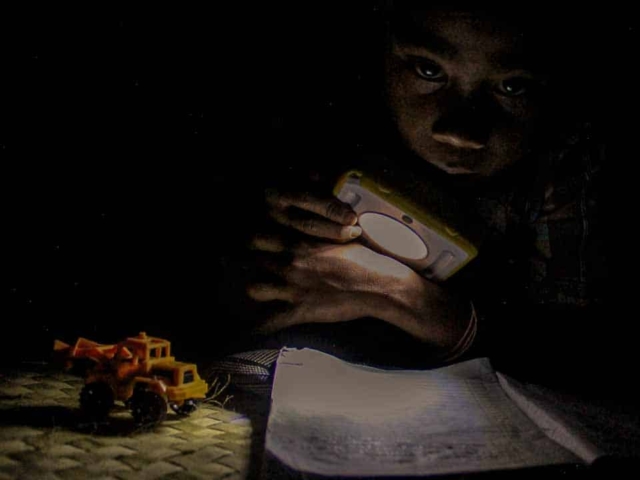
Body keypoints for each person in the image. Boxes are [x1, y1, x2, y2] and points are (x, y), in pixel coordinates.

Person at [222, 1, 624, 387]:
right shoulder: (325, 123)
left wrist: (394, 292)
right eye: (428, 70)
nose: (461, 131)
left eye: (512, 86)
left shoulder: (565, 163)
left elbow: (578, 354)